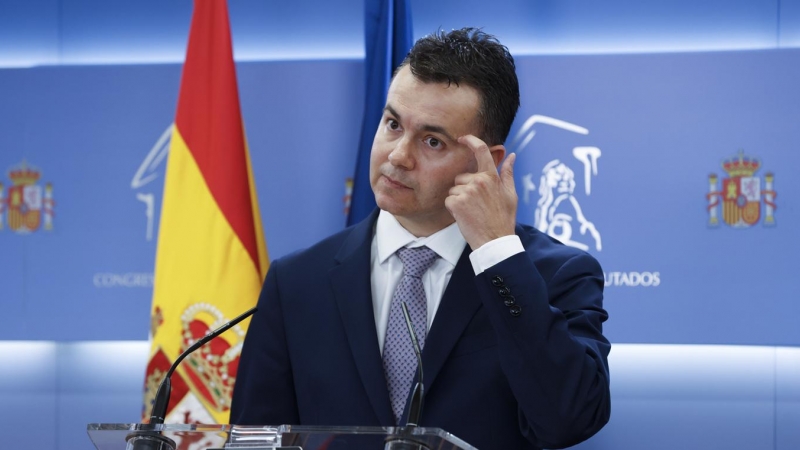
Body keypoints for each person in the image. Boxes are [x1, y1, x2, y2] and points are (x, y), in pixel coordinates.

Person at [231, 28, 610, 450]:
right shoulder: (298, 280)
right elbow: (253, 438)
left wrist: (496, 253)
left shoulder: (553, 275)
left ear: (488, 161)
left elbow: (569, 419)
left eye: (432, 141)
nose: (397, 156)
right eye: (392, 124)